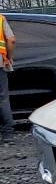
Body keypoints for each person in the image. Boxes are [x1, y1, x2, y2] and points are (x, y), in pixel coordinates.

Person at [0, 13, 15, 142]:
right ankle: (7, 134)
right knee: (3, 99)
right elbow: (11, 40)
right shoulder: (0, 19)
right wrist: (9, 57)